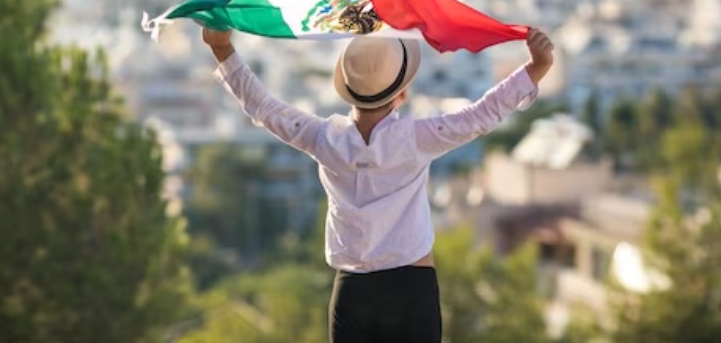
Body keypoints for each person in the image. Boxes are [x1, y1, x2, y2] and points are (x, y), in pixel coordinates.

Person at [202, 25, 554, 343]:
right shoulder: (417, 138)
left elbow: (263, 107)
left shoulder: (323, 138)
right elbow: (483, 113)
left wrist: (222, 49)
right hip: (412, 289)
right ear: (401, 94)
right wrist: (535, 68)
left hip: (352, 291)